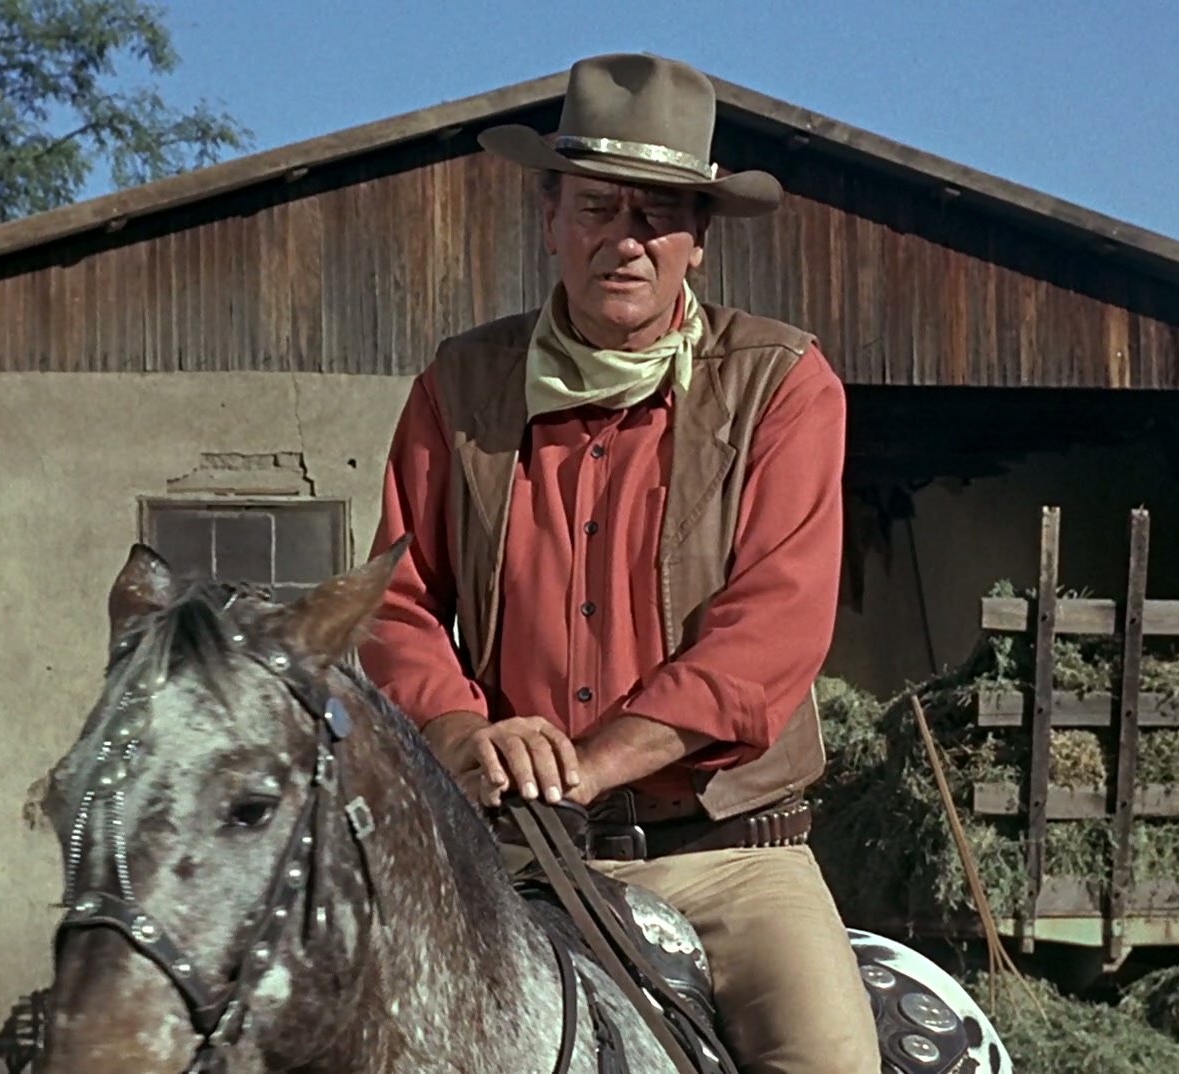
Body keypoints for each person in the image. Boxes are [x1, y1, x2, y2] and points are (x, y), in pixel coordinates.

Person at [357, 52, 880, 1074]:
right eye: (598, 205)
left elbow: (770, 635)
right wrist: (463, 735)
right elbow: (395, 600)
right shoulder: (461, 385)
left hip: (729, 860)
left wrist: (589, 767)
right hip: (510, 856)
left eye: (657, 213)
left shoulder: (781, 385)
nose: (626, 238)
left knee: (830, 1062)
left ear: (699, 238)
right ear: (550, 216)